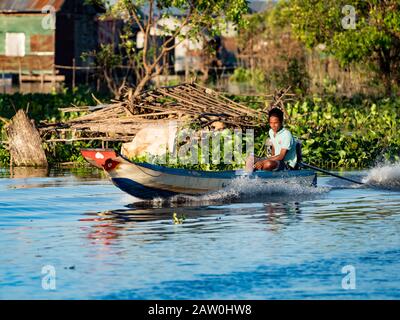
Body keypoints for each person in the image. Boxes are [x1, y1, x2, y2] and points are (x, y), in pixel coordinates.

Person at [245, 108, 297, 172]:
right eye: (271, 123)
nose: (273, 126)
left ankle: (259, 171)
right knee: (250, 159)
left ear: (281, 122)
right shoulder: (271, 132)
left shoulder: (286, 134)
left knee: (268, 164)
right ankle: (249, 178)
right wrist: (266, 159)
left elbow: (281, 156)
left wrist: (263, 162)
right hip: (275, 159)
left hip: (286, 163)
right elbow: (274, 147)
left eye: (276, 123)